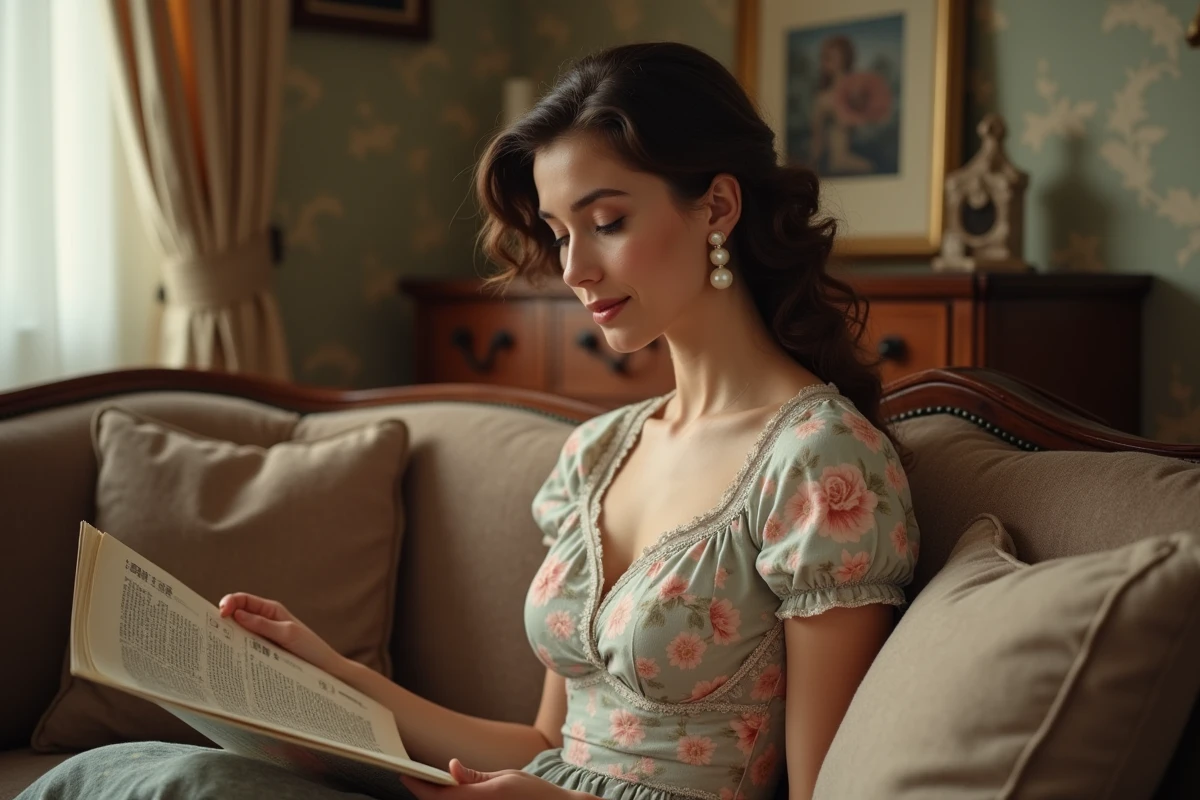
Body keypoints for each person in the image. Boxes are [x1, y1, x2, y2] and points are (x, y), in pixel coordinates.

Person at [18, 41, 918, 800]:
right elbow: (544, 745)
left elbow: (823, 794)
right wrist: (326, 671)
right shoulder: (600, 452)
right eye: (560, 234)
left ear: (717, 205)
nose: (574, 270)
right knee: (132, 771)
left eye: (606, 221)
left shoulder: (822, 464)